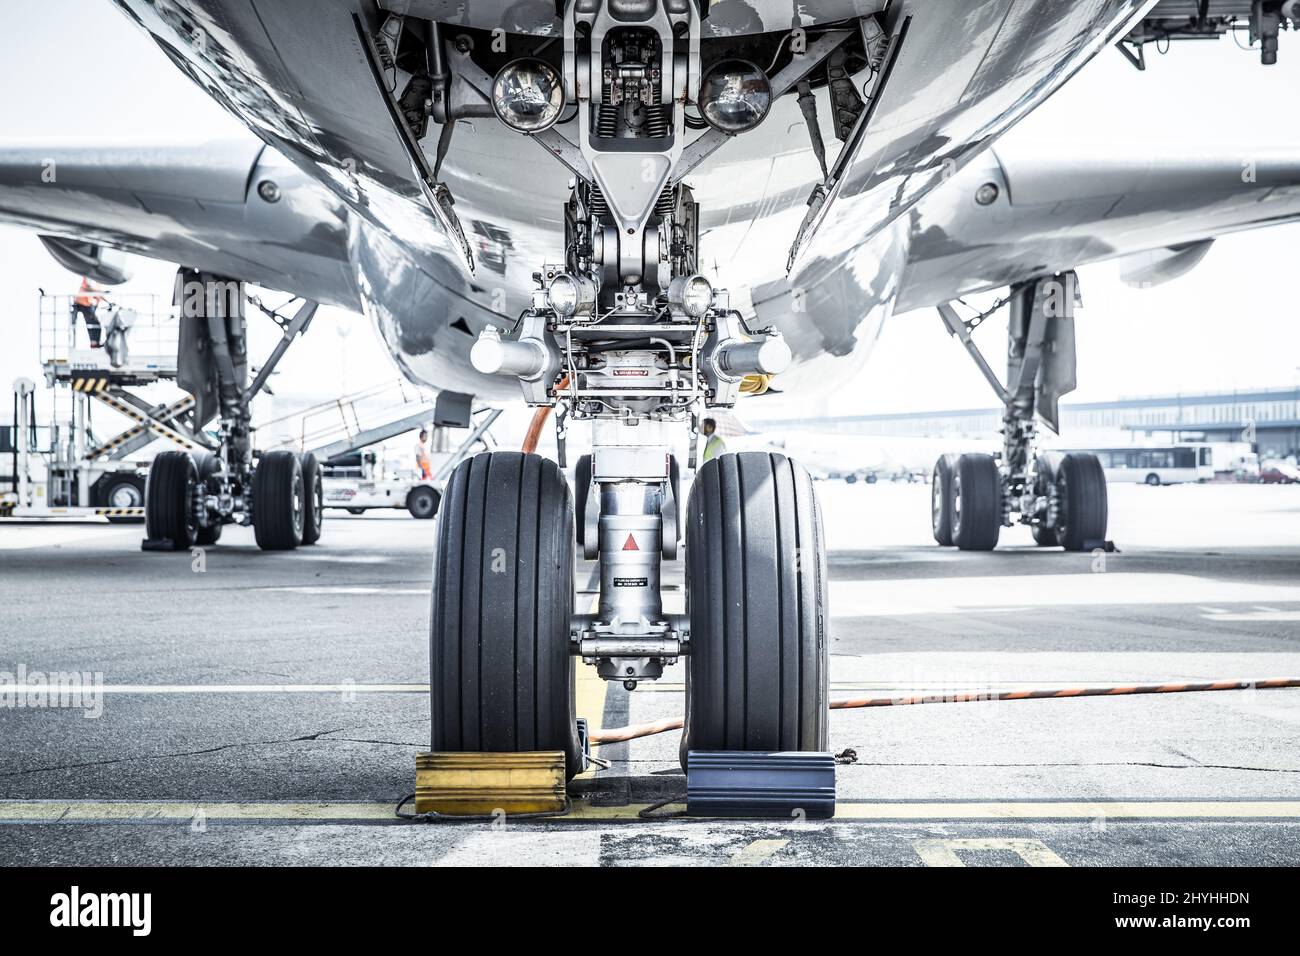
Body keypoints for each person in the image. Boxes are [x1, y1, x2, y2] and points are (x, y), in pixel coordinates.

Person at [72, 276, 106, 348]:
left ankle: (94, 342)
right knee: (93, 323)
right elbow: (88, 288)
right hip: (84, 302)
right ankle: (94, 343)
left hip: (87, 303)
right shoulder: (91, 275)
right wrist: (100, 294)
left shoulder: (96, 279)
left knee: (94, 323)